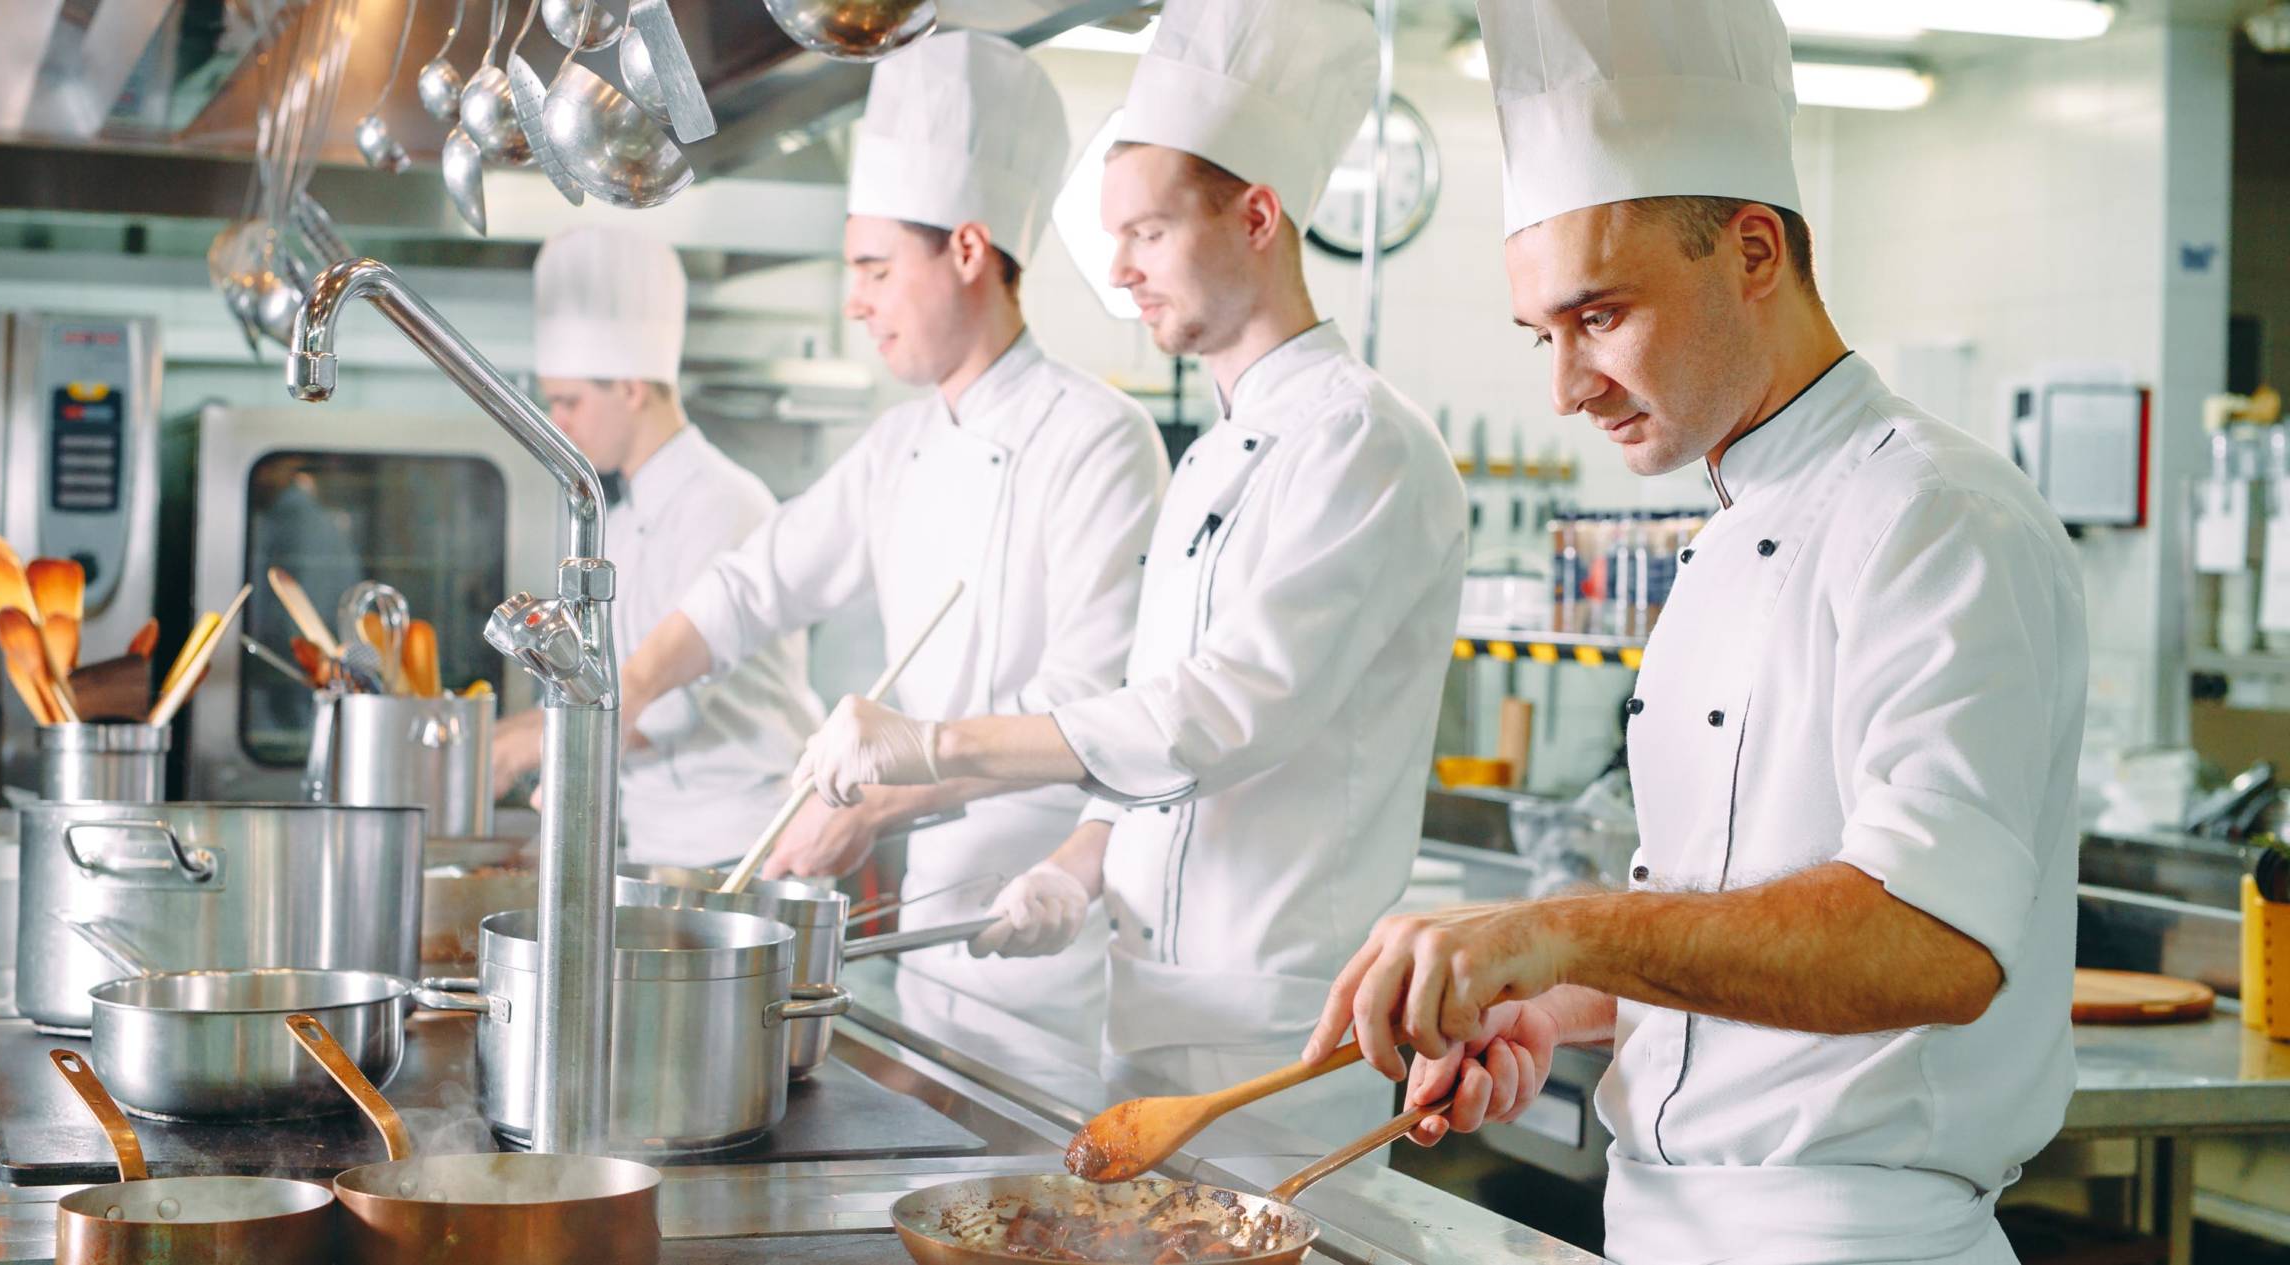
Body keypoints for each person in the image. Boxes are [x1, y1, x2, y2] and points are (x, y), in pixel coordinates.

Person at [1305, 1, 2088, 1260]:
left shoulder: (1938, 517)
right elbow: (1745, 925)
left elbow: (1930, 940)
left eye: (1600, 316)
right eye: (1542, 336)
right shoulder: (1723, 531)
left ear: (1755, 250)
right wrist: (1555, 1003)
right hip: (1661, 1224)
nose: (1565, 387)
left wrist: (1548, 926)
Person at [786, 0, 1467, 1147]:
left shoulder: (1364, 442)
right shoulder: (1208, 456)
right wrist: (1075, 864)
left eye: (1146, 233)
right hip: (1148, 1012)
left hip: (1276, 1045)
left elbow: (1225, 712)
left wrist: (934, 744)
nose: (1118, 270)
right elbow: (1152, 738)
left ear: (1256, 216)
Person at [617, 31, 1169, 1034]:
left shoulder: (1101, 440)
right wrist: (632, 684)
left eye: (873, 267)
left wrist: (874, 801)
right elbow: (754, 585)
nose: (854, 300)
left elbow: (1084, 713)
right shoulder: (899, 443)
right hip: (930, 947)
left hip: (1053, 939)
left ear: (966, 250)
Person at [492, 225, 823, 867]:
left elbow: (664, 707)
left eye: (568, 402)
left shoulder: (723, 504)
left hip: (741, 845)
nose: (555, 424)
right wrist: (502, 735)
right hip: (657, 839)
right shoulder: (615, 519)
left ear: (631, 388)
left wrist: (522, 748)